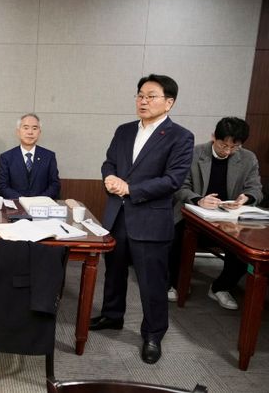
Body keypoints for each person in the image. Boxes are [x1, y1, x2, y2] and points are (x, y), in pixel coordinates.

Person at [89, 74, 194, 365]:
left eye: (151, 96)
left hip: (150, 219)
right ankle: (112, 315)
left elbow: (173, 180)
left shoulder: (180, 137)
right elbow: (109, 161)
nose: (143, 101)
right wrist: (109, 176)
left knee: (151, 282)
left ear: (169, 102)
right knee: (114, 272)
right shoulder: (124, 130)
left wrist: (131, 189)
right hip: (117, 215)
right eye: (140, 95)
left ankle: (153, 334)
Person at [170, 117, 263, 309]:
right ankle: (176, 283)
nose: (227, 151)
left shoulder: (248, 158)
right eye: (223, 145)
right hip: (193, 215)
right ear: (214, 137)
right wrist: (199, 199)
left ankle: (220, 287)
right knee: (174, 238)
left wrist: (246, 197)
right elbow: (180, 186)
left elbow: (256, 189)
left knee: (247, 248)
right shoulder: (194, 153)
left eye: (234, 147)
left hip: (228, 218)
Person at [0, 113, 61, 199]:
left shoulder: (49, 156)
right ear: (18, 132)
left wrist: (39, 200)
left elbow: (55, 185)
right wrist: (22, 200)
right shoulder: (6, 157)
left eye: (34, 128)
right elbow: (2, 186)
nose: (30, 132)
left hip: (41, 205)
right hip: (16, 204)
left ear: (39, 133)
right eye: (26, 128)